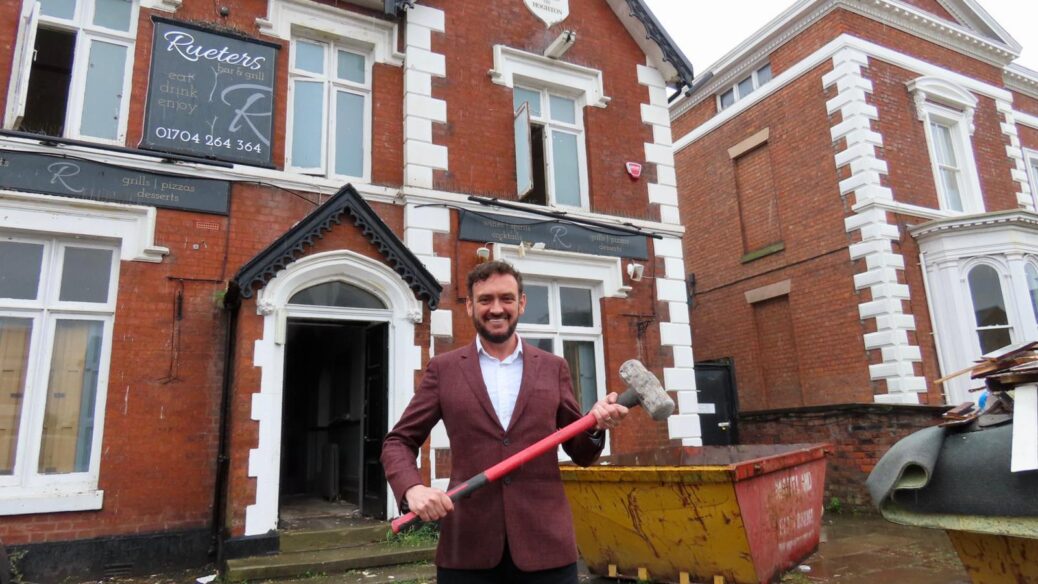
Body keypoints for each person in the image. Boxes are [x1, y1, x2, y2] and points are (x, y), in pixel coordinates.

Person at [381, 260, 629, 584]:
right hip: (468, 550)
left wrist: (594, 425)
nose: (496, 309)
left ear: (522, 303)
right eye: (485, 300)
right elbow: (398, 441)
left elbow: (580, 452)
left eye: (506, 299)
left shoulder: (553, 367)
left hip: (546, 548)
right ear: (470, 305)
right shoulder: (445, 369)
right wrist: (412, 489)